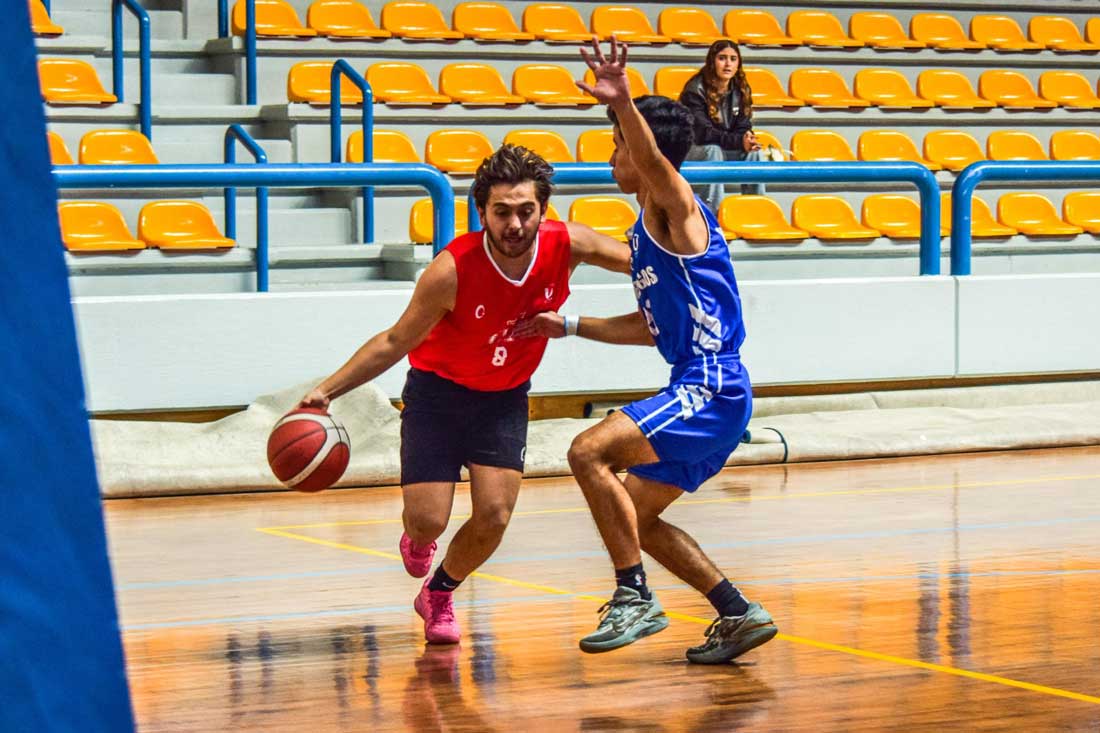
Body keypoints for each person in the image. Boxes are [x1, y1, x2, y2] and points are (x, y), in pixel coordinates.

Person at [299, 143, 631, 645]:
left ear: (543, 210)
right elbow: (394, 340)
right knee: (429, 520)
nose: (515, 224)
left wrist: (698, 266)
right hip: (438, 398)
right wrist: (326, 391)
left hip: (503, 399)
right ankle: (417, 536)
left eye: (526, 211)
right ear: (482, 213)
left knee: (494, 514)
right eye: (502, 212)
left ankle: (439, 593)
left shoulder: (571, 245)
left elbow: (648, 266)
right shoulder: (452, 269)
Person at [514, 38, 777, 664]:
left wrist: (625, 100)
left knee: (587, 451)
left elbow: (657, 162)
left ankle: (633, 596)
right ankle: (737, 613)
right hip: (708, 387)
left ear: (638, 151)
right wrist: (571, 324)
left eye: (618, 146)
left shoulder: (678, 207)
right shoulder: (648, 234)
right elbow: (652, 329)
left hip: (711, 385)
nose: (612, 157)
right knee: (637, 518)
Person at [678, 39, 767, 212]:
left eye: (733, 59)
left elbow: (743, 125)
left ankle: (757, 211)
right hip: (691, 150)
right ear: (712, 61)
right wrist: (738, 141)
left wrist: (746, 139)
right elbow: (703, 134)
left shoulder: (740, 88)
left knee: (754, 154)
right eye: (722, 58)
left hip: (723, 146)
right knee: (713, 150)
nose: (728, 64)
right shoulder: (694, 89)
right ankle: (711, 216)